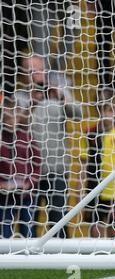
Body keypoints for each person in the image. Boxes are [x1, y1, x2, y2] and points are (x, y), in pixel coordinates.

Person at [23, 55, 83, 238]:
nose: (35, 75)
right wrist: (31, 104)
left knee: (58, 215)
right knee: (29, 217)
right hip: (29, 168)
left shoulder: (58, 92)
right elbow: (12, 125)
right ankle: (27, 257)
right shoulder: (20, 96)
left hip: (57, 167)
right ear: (23, 74)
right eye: (30, 71)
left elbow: (78, 114)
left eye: (38, 70)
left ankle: (62, 253)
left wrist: (61, 97)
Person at [81, 88, 115, 238]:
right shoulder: (90, 132)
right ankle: (95, 258)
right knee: (95, 228)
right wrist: (80, 190)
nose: (106, 115)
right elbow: (83, 164)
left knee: (114, 230)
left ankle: (113, 259)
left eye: (110, 110)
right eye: (102, 110)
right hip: (93, 188)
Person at [0, 95, 41, 238]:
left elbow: (37, 165)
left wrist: (28, 183)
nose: (11, 117)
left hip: (26, 194)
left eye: (14, 113)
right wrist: (2, 185)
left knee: (27, 230)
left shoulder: (27, 137)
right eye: (8, 113)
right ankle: (5, 259)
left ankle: (29, 257)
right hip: (4, 195)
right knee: (4, 230)